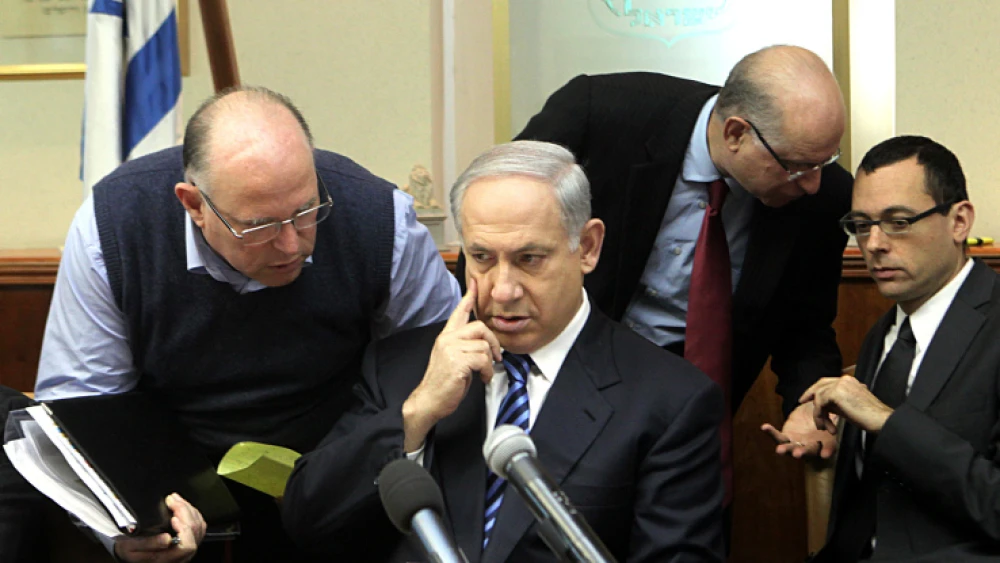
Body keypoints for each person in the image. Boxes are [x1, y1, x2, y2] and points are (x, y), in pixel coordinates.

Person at [33, 86, 461, 562]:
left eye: (306, 211)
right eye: (258, 226)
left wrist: (349, 473)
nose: (292, 244)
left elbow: (435, 372)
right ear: (193, 204)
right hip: (180, 491)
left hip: (345, 481)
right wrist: (129, 524)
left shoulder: (381, 218)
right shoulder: (115, 225)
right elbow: (84, 405)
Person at [281, 141, 725, 562]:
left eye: (530, 258)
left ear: (587, 247)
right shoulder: (400, 367)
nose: (503, 290)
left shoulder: (669, 400)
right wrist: (415, 415)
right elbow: (309, 523)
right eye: (482, 258)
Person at [474, 45, 854, 512]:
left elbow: (807, 326)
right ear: (735, 133)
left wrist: (808, 403)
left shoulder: (822, 195)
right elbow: (494, 224)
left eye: (826, 161)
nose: (813, 183)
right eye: (798, 166)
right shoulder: (600, 115)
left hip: (694, 414)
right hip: (563, 381)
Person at [806, 136, 1000, 562]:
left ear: (960, 221)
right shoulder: (883, 335)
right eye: (861, 224)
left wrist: (885, 421)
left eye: (898, 221)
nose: (873, 244)